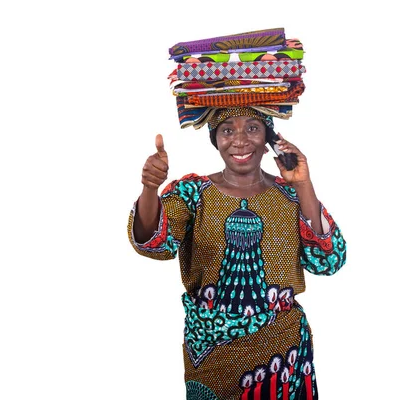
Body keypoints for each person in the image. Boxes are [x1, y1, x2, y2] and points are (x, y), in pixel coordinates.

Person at [128, 107, 347, 400]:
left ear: (269, 138)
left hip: (281, 353)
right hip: (211, 355)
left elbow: (328, 261)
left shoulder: (291, 194)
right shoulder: (192, 192)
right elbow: (153, 242)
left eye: (253, 128)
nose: (240, 140)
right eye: (227, 130)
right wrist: (149, 189)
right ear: (215, 139)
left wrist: (303, 183)